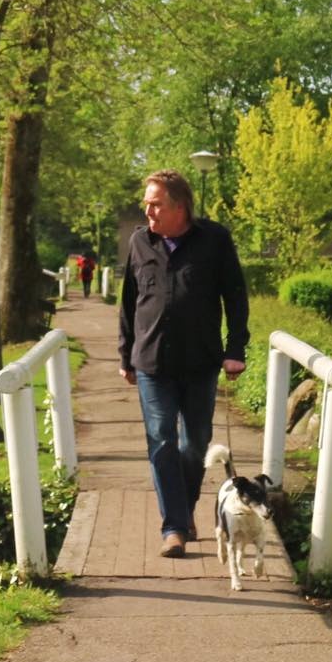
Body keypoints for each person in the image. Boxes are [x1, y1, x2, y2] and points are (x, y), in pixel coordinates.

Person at [118, 169, 249, 557]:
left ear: (180, 207)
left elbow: (235, 297)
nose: (148, 211)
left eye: (155, 204)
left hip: (200, 362)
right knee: (162, 439)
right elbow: (129, 302)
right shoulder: (139, 242)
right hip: (151, 361)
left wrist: (235, 350)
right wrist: (125, 354)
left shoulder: (215, 240)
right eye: (146, 204)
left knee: (195, 444)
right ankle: (174, 528)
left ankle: (185, 508)